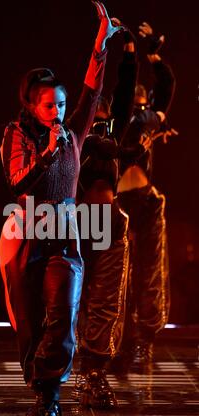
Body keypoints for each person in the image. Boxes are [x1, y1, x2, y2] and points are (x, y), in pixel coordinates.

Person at [0, 2, 122, 416]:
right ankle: (39, 384)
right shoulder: (15, 135)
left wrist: (100, 44)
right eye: (50, 106)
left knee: (63, 311)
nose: (59, 113)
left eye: (62, 106)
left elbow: (94, 92)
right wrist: (48, 155)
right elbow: (18, 182)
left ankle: (48, 395)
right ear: (34, 106)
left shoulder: (73, 134)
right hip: (28, 231)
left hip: (64, 234)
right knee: (31, 319)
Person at [72, 20, 140, 408]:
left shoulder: (114, 129)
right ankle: (73, 368)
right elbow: (93, 91)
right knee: (76, 296)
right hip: (82, 223)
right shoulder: (76, 131)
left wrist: (129, 52)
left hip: (111, 222)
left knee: (106, 300)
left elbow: (126, 92)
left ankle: (96, 372)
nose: (104, 105)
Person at [113, 21, 176, 372]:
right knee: (115, 275)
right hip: (116, 206)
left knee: (148, 276)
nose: (140, 110)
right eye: (134, 105)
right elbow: (126, 93)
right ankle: (113, 343)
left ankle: (143, 345)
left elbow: (166, 88)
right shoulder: (116, 124)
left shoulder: (147, 120)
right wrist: (131, 53)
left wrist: (154, 57)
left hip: (146, 202)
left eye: (143, 104)